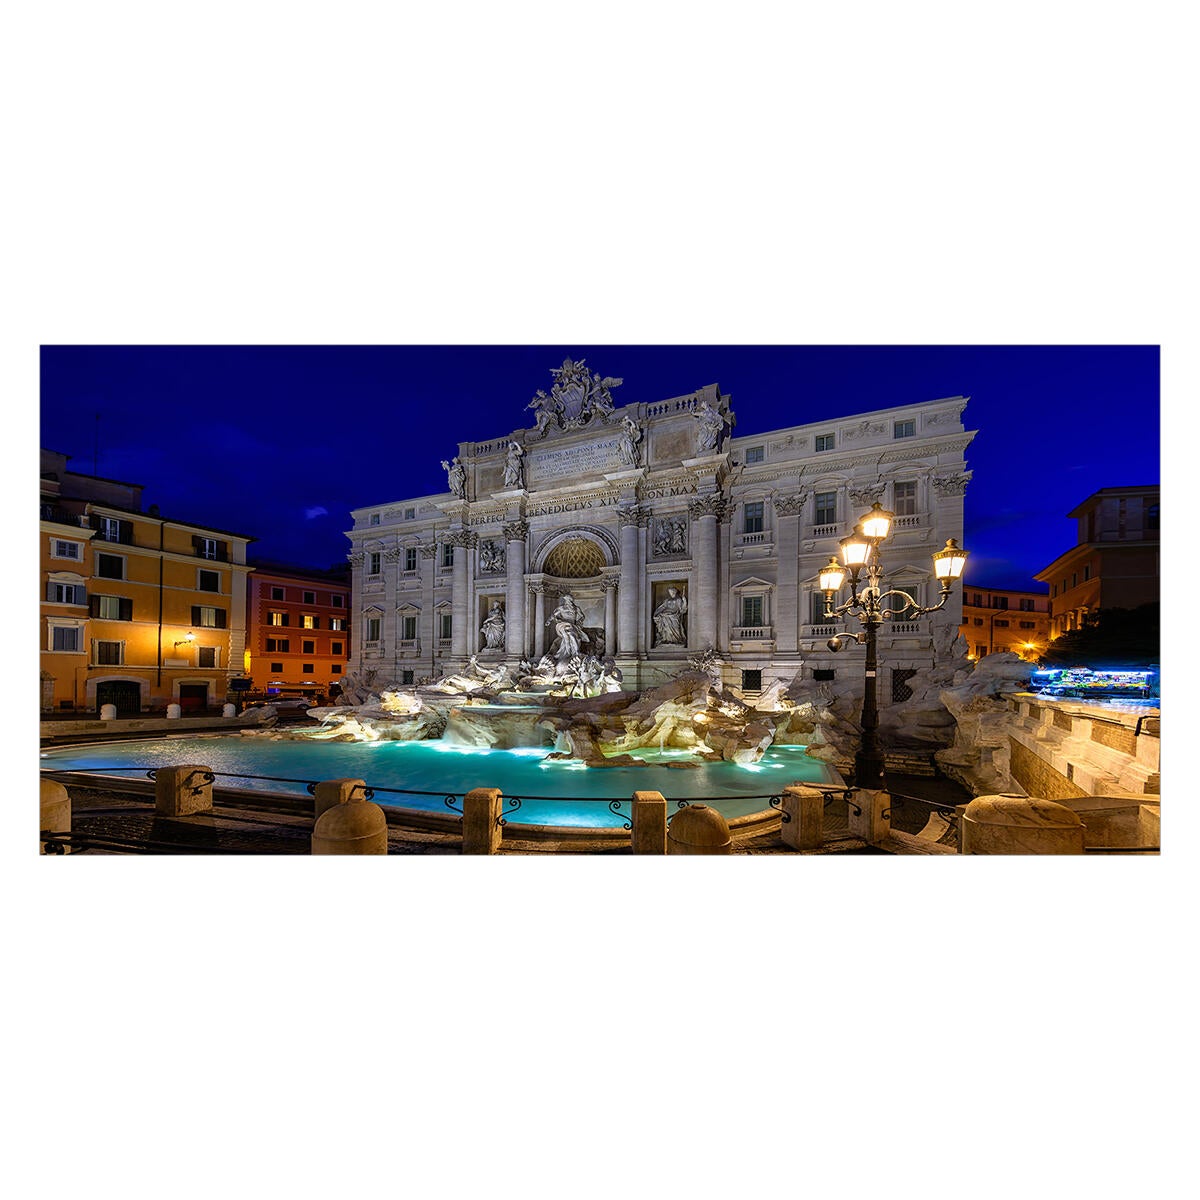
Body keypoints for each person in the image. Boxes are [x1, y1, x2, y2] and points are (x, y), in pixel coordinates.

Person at [547, 593, 589, 663]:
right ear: (566, 601)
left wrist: (579, 622)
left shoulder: (576, 608)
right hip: (563, 625)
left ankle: (572, 653)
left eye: (571, 600)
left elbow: (582, 616)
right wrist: (549, 621)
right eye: (569, 600)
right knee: (568, 635)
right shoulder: (561, 608)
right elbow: (553, 615)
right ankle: (572, 652)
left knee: (571, 635)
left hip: (573, 626)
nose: (570, 602)